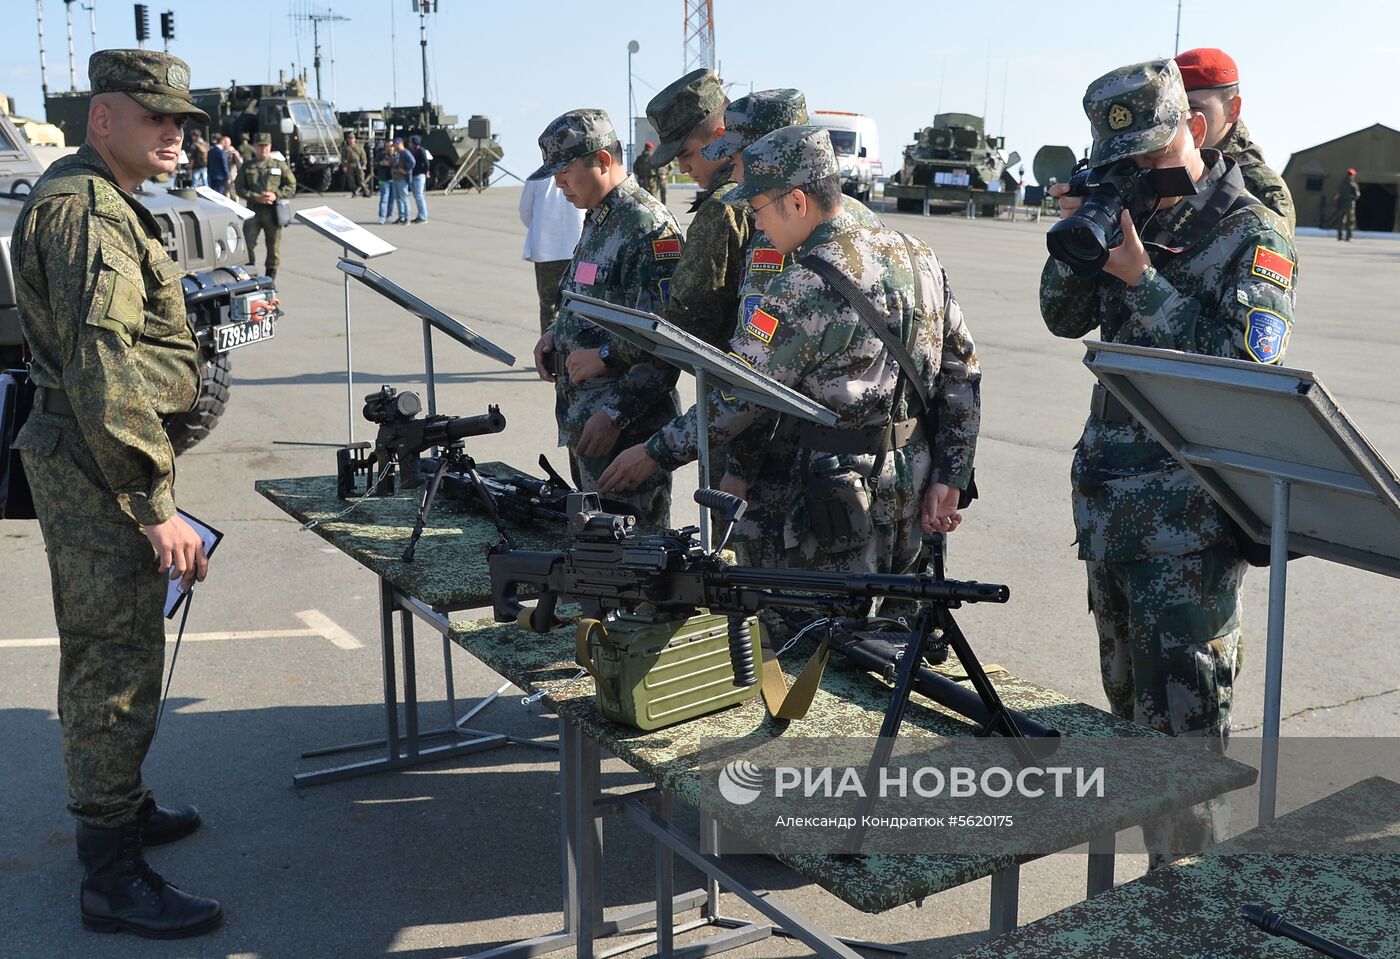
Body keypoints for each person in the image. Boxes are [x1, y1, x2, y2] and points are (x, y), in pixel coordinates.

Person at [1040, 59, 1297, 865]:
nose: (1143, 170)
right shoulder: (1129, 208)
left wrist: (1143, 280)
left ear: (1193, 124)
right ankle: (1157, 898)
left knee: (1186, 742)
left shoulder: (1250, 232)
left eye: (1153, 151)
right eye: (1128, 158)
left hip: (1187, 528)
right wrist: (1077, 241)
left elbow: (1243, 370)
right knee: (1129, 726)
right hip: (1113, 511)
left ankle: (1189, 907)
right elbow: (1059, 316)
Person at [9, 49, 223, 939]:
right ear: (104, 118)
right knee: (113, 659)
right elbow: (103, 367)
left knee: (119, 643)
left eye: (181, 119)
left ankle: (121, 804)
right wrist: (153, 503)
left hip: (97, 457)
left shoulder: (95, 197)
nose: (176, 132)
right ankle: (108, 873)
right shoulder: (86, 215)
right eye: (155, 116)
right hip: (102, 469)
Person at [599, 125, 979, 581]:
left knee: (822, 638)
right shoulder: (919, 256)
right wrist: (951, 474)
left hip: (834, 503)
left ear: (798, 202)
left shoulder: (798, 286)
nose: (756, 224)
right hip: (913, 491)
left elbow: (740, 397)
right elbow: (962, 376)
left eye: (758, 208)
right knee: (900, 636)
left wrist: (654, 452)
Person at [528, 109, 684, 527]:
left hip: (625, 429)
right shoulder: (600, 217)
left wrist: (615, 414)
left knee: (636, 559)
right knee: (597, 554)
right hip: (586, 421)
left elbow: (667, 340)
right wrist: (553, 335)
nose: (558, 183)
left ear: (601, 160)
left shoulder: (646, 226)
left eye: (565, 171)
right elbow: (593, 299)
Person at [1175, 47, 1295, 233]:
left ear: (1233, 109)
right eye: (1175, 111)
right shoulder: (1157, 167)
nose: (1184, 120)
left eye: (1195, 108)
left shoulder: (1260, 190)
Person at [518, 174, 585, 334]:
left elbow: (525, 213)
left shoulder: (536, 179)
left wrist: (541, 228)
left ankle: (549, 353)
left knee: (549, 307)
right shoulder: (577, 173)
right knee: (582, 303)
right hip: (578, 251)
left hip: (547, 252)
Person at [235, 132, 296, 280]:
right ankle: (251, 277)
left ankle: (270, 279)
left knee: (273, 247)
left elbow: (292, 185)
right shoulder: (247, 166)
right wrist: (254, 196)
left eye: (266, 146)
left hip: (273, 212)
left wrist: (276, 195)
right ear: (254, 147)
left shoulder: (279, 165)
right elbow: (239, 187)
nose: (263, 149)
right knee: (247, 245)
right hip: (253, 211)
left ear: (270, 147)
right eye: (259, 146)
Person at [390, 136, 413, 224]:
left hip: (402, 179)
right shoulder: (398, 153)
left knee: (404, 198)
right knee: (398, 199)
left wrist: (405, 171)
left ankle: (407, 218)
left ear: (398, 144)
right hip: (396, 178)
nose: (393, 147)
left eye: (395, 145)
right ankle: (401, 217)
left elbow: (412, 162)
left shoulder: (405, 152)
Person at [408, 133, 430, 222]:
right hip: (414, 175)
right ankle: (420, 215)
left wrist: (426, 172)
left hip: (419, 176)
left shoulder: (420, 150)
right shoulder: (413, 151)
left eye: (410, 142)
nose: (409, 144)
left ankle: (423, 216)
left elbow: (426, 162)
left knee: (419, 196)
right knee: (417, 196)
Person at [341, 131, 369, 198]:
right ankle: (354, 191)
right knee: (351, 180)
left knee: (361, 178)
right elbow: (343, 158)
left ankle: (365, 191)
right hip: (350, 165)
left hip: (358, 163)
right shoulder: (346, 148)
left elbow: (363, 156)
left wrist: (364, 164)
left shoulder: (359, 147)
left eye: (352, 138)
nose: (351, 140)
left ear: (354, 139)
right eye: (350, 138)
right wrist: (344, 166)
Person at [374, 138, 395, 224]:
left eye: (390, 146)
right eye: (387, 146)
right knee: (384, 198)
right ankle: (381, 216)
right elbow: (375, 165)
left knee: (391, 199)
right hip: (383, 179)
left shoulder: (396, 155)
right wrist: (382, 163)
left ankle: (389, 216)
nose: (389, 148)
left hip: (393, 179)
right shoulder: (381, 154)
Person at [1336, 168, 1360, 241]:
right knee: (1350, 221)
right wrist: (1352, 198)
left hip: (1341, 205)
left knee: (1341, 221)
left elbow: (1338, 195)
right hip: (1349, 205)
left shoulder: (1341, 184)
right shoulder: (1353, 184)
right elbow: (1357, 195)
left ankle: (1340, 236)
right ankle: (1348, 237)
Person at [206, 130, 229, 195]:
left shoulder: (210, 151)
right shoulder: (222, 152)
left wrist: (208, 173)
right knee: (219, 194)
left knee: (213, 194)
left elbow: (208, 164)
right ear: (222, 142)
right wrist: (228, 176)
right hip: (221, 177)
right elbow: (225, 165)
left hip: (211, 175)